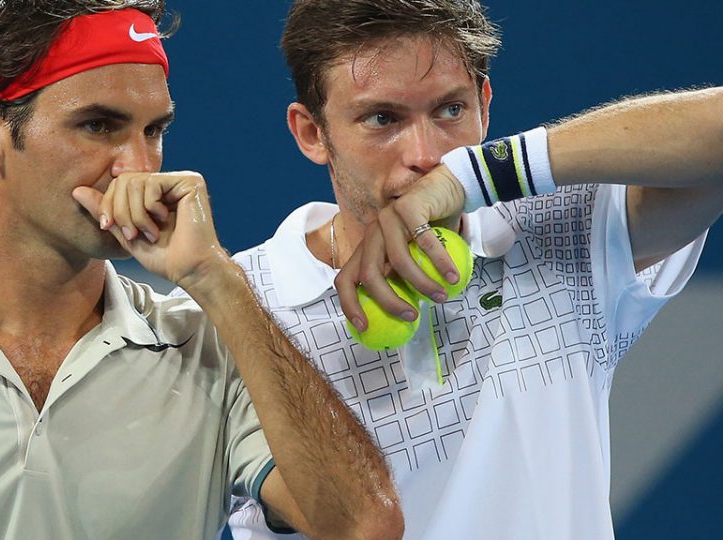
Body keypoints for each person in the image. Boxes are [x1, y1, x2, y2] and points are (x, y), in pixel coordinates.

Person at [0, 2, 406, 539]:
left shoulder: (206, 347)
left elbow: (362, 529)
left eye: (153, 131)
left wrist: (214, 278)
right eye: (97, 126)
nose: (136, 165)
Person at [219, 0, 723, 538]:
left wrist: (482, 175)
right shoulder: (234, 306)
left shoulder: (568, 233)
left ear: (485, 104)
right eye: (382, 119)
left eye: (450, 111)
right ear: (311, 133)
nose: (426, 153)